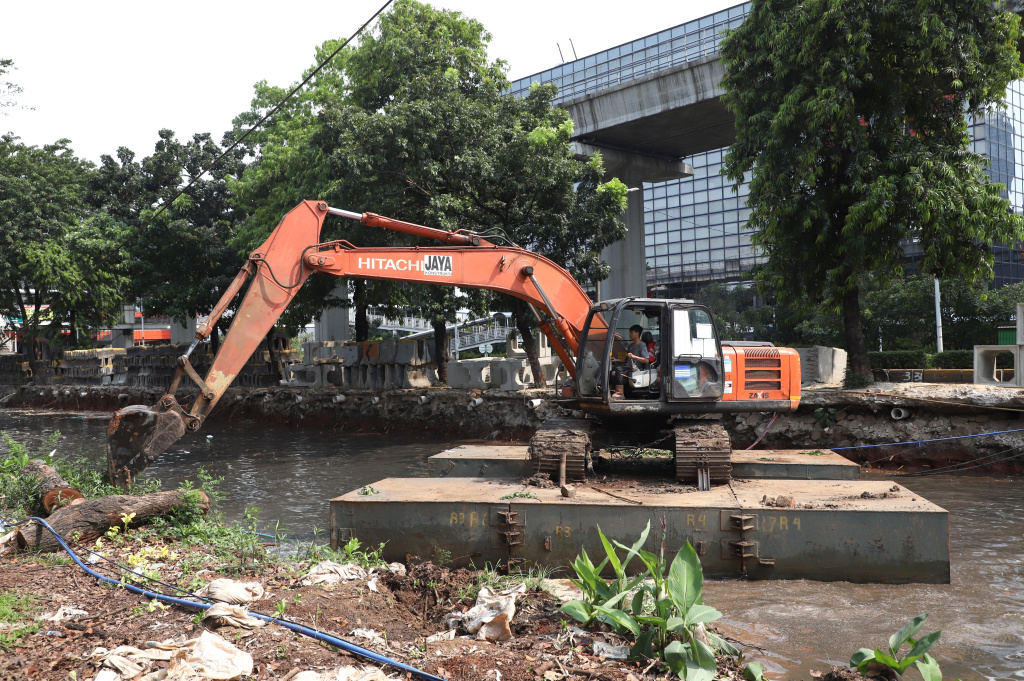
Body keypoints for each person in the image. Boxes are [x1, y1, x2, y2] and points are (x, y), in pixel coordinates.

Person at [611, 325, 650, 398]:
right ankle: (610, 389)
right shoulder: (631, 346)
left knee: (618, 369)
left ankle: (620, 393)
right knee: (613, 368)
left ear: (637, 333)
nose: (629, 334)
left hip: (635, 368)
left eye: (631, 332)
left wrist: (634, 356)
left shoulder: (642, 345)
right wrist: (616, 360)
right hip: (627, 367)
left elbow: (646, 360)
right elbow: (626, 360)